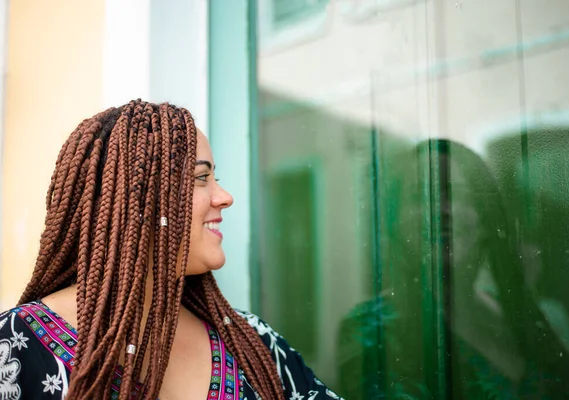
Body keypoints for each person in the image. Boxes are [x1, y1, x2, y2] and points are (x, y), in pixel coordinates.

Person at [0, 100, 343, 400]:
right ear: (136, 202)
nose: (225, 196)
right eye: (200, 178)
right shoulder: (17, 346)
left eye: (216, 178)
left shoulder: (253, 345)